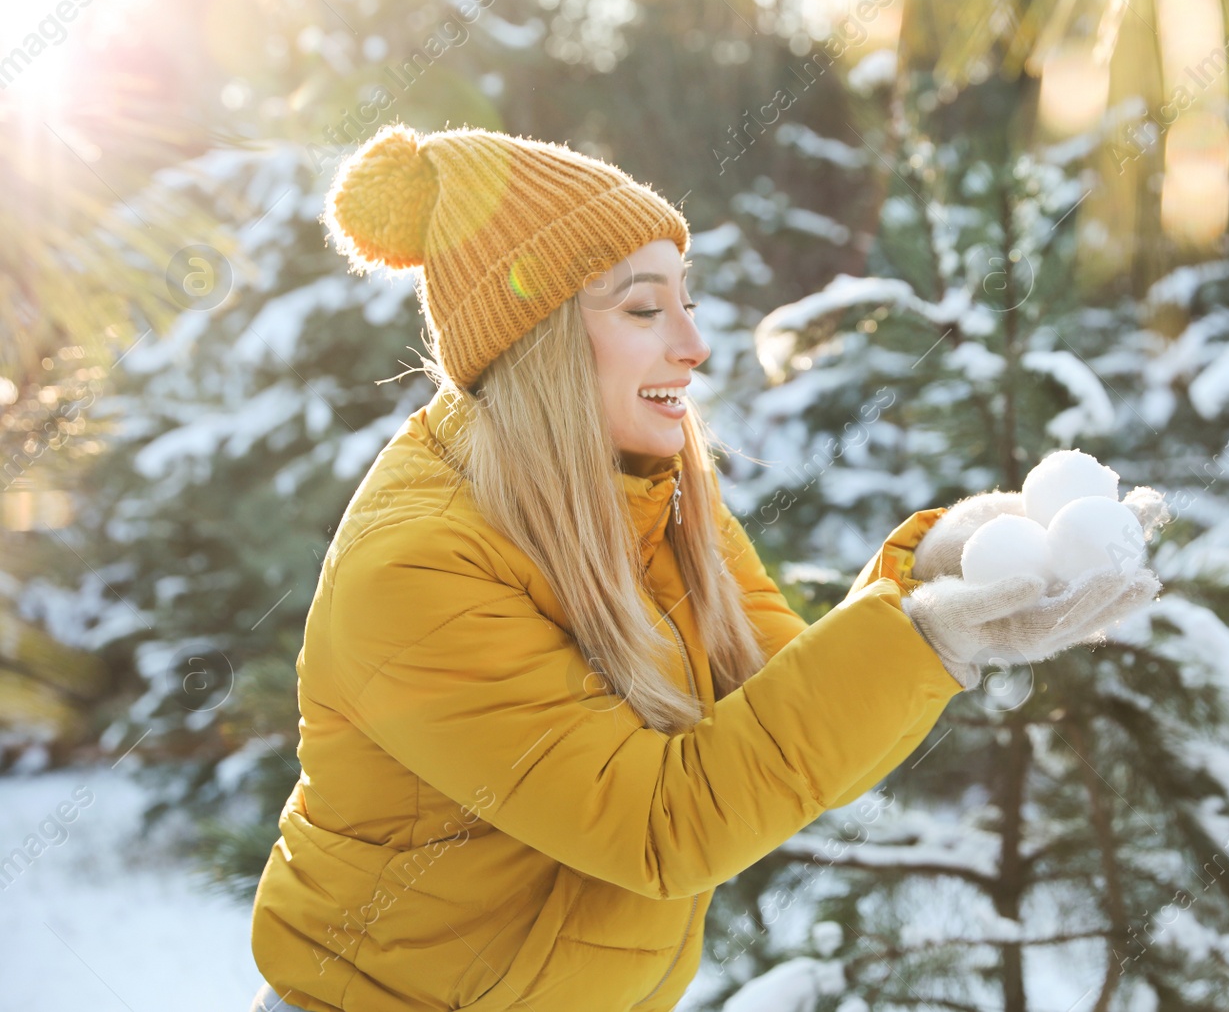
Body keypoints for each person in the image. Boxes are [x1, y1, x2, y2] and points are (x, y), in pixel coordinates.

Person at [247, 123, 1165, 1012]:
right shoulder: (417, 572)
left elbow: (776, 717)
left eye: (686, 300)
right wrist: (924, 635)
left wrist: (924, 580)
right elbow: (662, 823)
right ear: (539, 339)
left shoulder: (651, 489)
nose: (694, 344)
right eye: (645, 308)